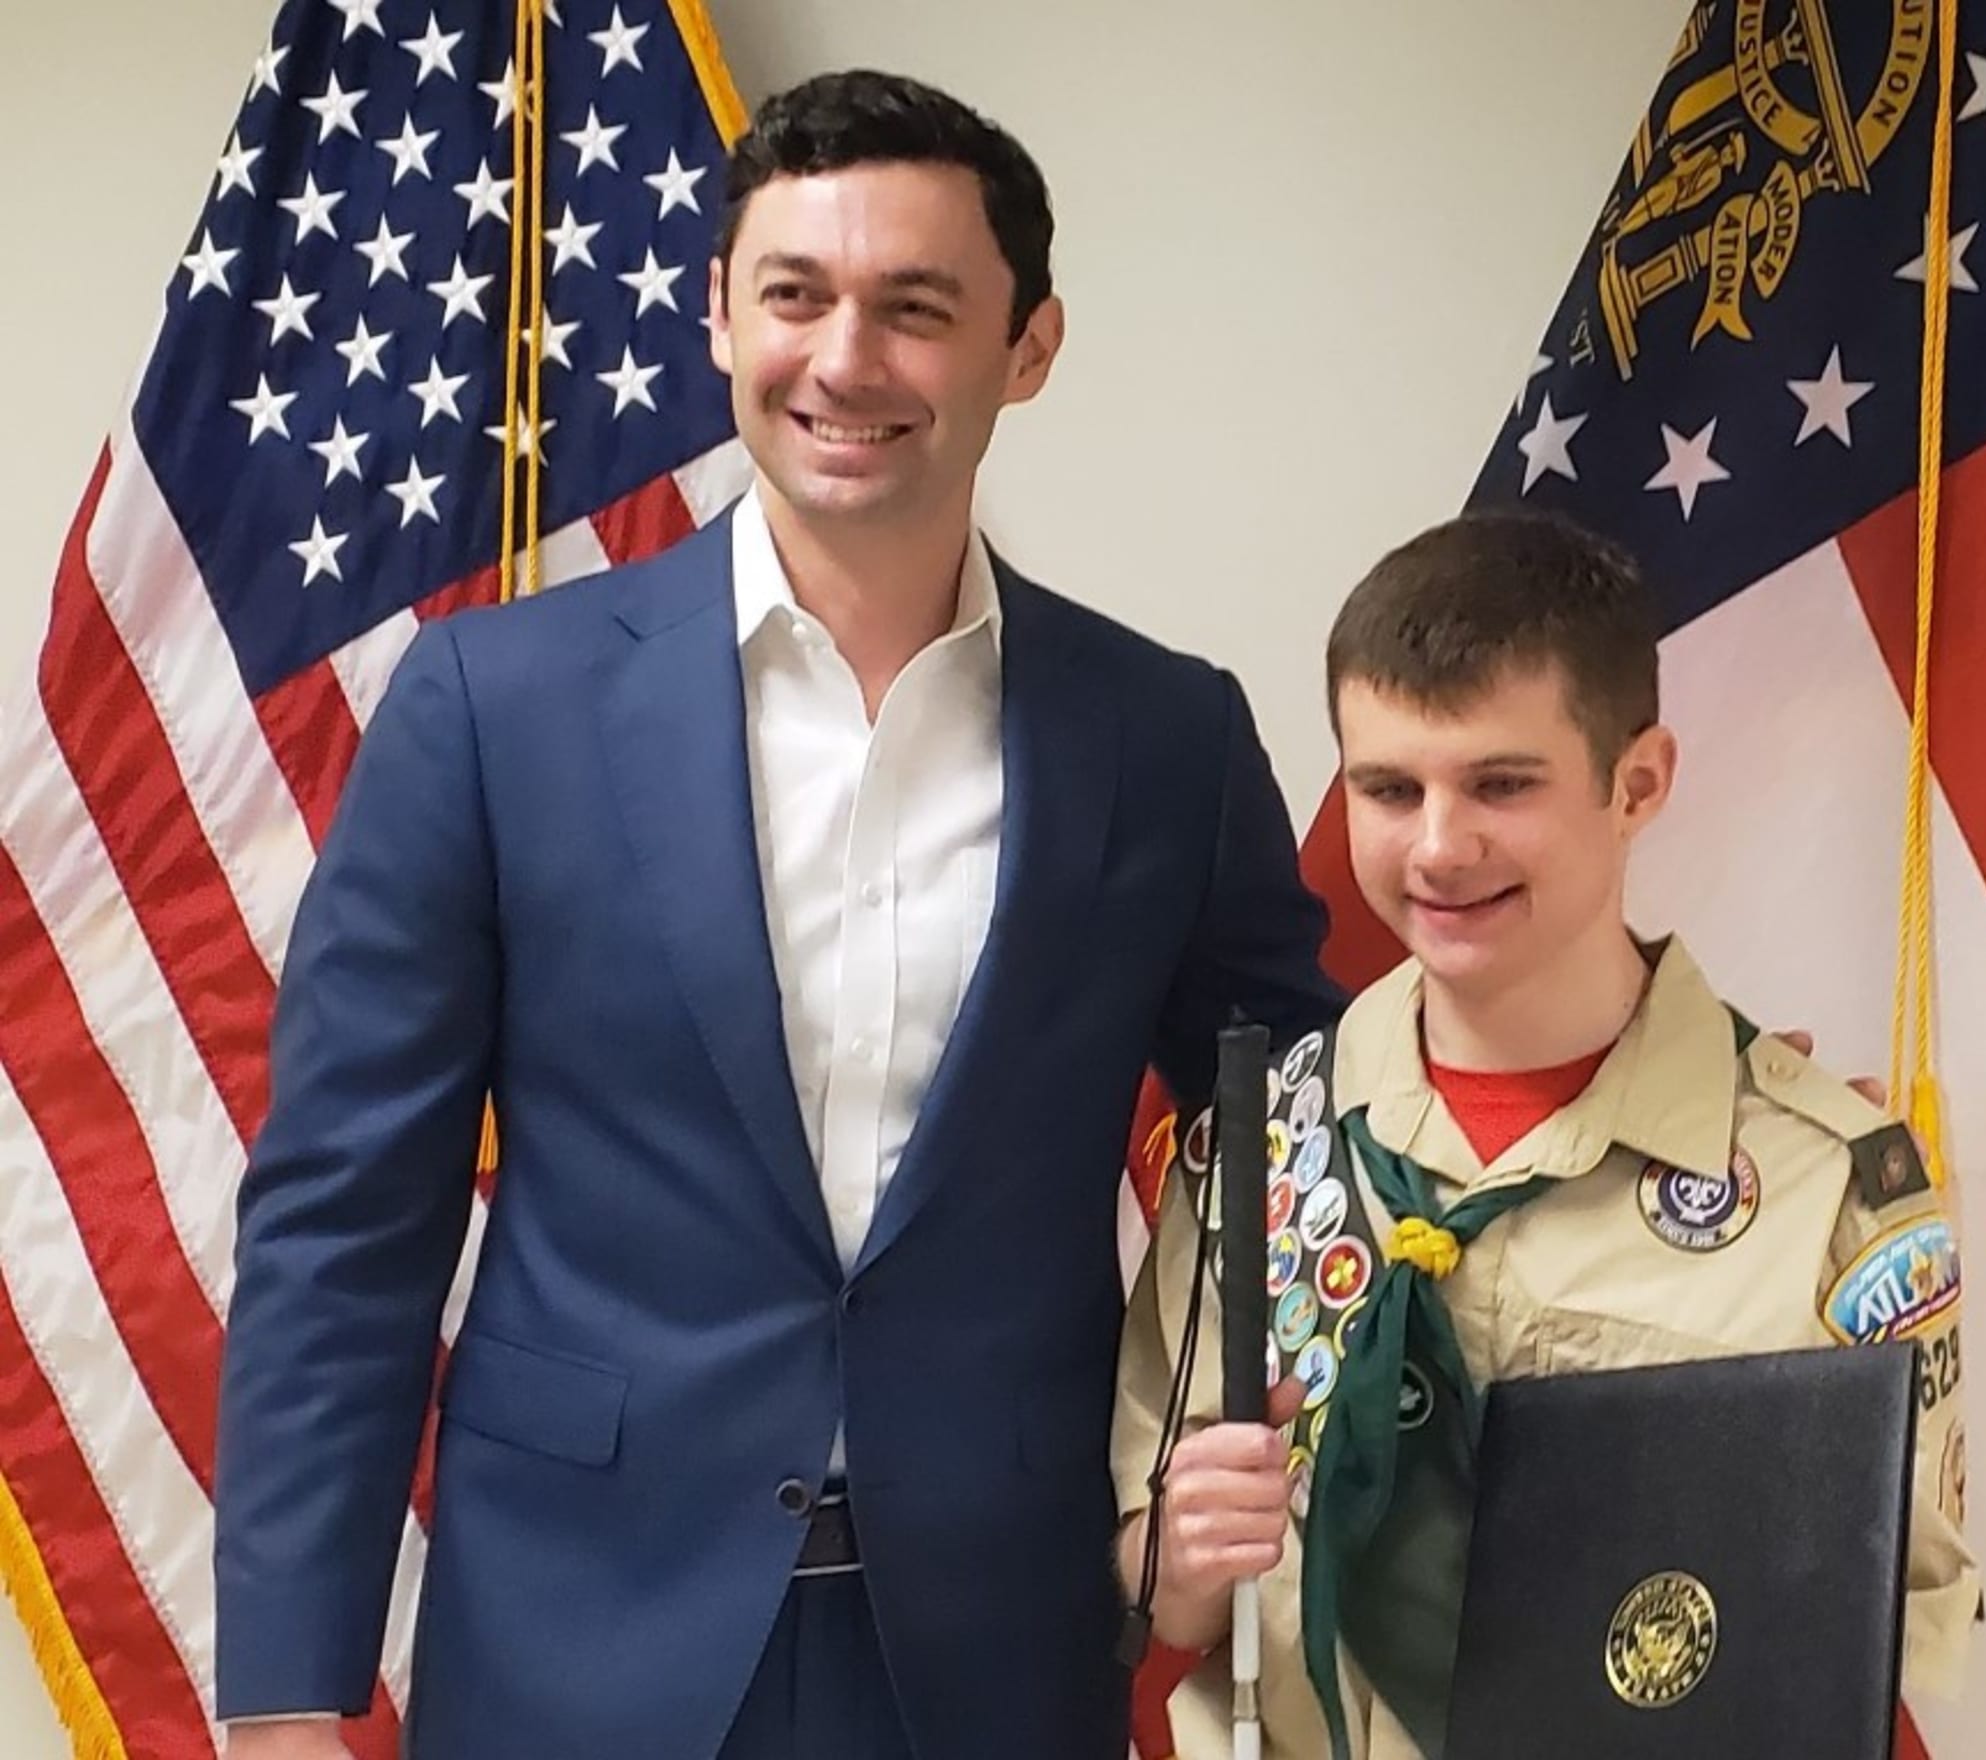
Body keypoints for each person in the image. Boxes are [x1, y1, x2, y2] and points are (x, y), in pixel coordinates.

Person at [214, 70, 1340, 1760]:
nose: (844, 359)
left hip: (1002, 1650)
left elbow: (1299, 1136)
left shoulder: (1164, 736)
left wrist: (1208, 1469)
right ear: (720, 318)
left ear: (1029, 348)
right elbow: (344, 1221)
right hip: (579, 1648)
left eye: (916, 308)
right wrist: (287, 1697)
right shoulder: (492, 707)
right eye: (796, 296)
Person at [1112, 508, 1980, 1759]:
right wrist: (1183, 1550)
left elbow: (1875, 1642)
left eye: (1501, 783)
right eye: (1388, 788)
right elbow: (1157, 1594)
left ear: (1639, 782)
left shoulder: (1827, 1191)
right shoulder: (1258, 1156)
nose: (1438, 845)